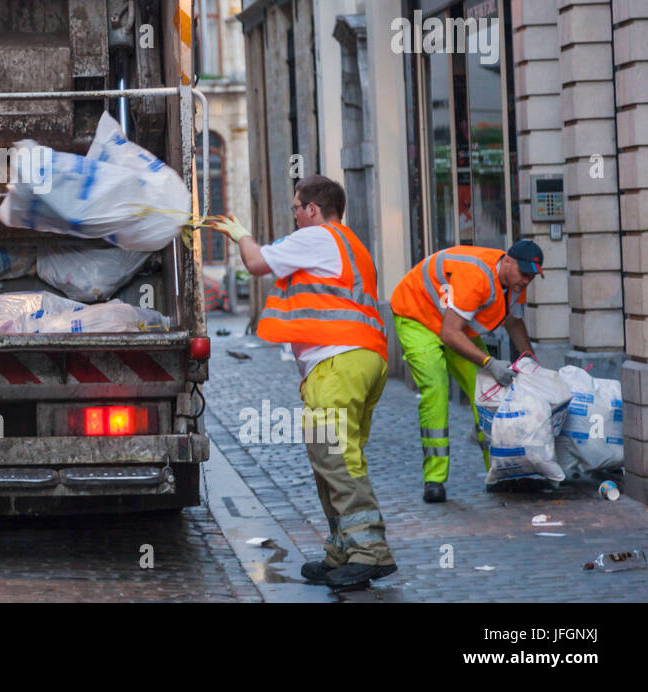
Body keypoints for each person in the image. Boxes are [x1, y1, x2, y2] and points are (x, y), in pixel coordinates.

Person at [213, 175, 396, 589]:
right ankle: (342, 552)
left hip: (337, 362)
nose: (294, 216)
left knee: (337, 460)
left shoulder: (317, 237)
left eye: (296, 207)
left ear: (312, 209)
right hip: (362, 359)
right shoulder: (352, 244)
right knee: (334, 459)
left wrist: (242, 235)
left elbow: (257, 262)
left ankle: (370, 552)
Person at [390, 239, 542, 503]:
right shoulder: (477, 277)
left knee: (488, 393)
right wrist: (489, 363)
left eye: (531, 276)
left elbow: (514, 322)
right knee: (436, 389)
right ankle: (434, 481)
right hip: (417, 315)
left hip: (456, 323)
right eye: (524, 273)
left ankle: (500, 473)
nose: (527, 280)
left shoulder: (514, 284)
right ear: (507, 262)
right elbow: (450, 334)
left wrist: (531, 361)